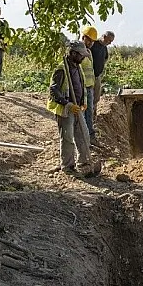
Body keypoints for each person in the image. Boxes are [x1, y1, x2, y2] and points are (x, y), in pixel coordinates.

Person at [47, 40, 95, 176]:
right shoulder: (61, 69)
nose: (83, 57)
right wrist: (67, 104)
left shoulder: (77, 67)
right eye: (81, 55)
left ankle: (84, 162)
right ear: (73, 53)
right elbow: (54, 91)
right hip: (66, 110)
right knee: (67, 139)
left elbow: (81, 85)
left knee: (84, 135)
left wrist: (83, 101)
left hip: (77, 108)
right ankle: (68, 166)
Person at [78, 26, 98, 146]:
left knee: (89, 113)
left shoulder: (88, 52)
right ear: (83, 37)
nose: (91, 43)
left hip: (89, 87)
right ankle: (84, 139)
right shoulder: (78, 52)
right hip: (82, 88)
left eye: (92, 41)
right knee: (83, 113)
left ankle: (90, 136)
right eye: (89, 40)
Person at [91, 30, 114, 121]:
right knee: (89, 97)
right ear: (104, 37)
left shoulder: (104, 48)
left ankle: (93, 116)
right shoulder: (93, 44)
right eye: (109, 41)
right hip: (89, 76)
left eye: (111, 41)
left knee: (96, 97)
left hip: (97, 76)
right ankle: (88, 117)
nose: (110, 43)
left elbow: (105, 58)